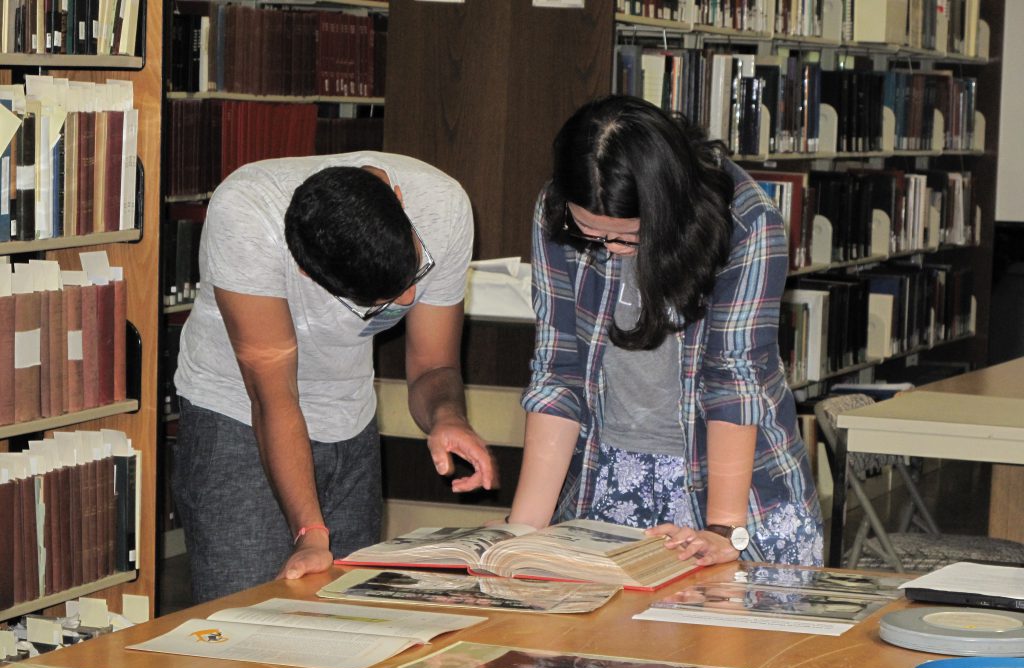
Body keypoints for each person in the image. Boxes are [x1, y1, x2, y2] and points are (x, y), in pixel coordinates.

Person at [508, 95, 822, 567]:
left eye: (626, 238)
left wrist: (723, 530)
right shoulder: (559, 210)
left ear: (664, 211)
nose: (608, 250)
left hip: (736, 488)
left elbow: (734, 380)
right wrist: (523, 534)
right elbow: (558, 371)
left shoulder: (747, 222)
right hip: (608, 471)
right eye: (590, 234)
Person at [173, 152, 496, 603]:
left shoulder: (441, 206)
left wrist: (447, 417)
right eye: (385, 297)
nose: (407, 296)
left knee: (348, 619)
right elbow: (272, 395)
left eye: (412, 273)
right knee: (245, 622)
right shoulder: (246, 215)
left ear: (398, 201)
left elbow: (433, 365)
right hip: (238, 420)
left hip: (350, 418)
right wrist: (310, 531)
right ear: (307, 271)